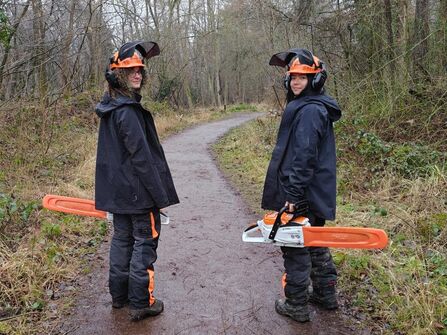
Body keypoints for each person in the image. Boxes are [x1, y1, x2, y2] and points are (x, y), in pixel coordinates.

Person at [94, 41, 179, 321]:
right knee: (144, 243)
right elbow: (142, 159)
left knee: (122, 241)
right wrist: (159, 196)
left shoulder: (111, 107)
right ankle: (141, 301)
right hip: (138, 195)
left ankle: (119, 297)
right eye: (130, 70)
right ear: (117, 74)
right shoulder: (127, 111)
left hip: (119, 195)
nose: (137, 74)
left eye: (140, 70)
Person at [261, 48, 342, 322]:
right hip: (313, 192)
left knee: (294, 245)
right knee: (315, 240)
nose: (296, 82)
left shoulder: (309, 111)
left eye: (303, 78)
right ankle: (325, 294)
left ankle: (295, 304)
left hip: (302, 193)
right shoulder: (314, 107)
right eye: (293, 76)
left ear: (315, 80)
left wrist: (293, 193)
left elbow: (304, 157)